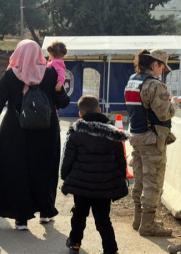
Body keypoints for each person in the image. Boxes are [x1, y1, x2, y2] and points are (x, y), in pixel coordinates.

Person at [0, 39, 70, 230]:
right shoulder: (51, 73)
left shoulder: (10, 75)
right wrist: (57, 89)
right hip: (46, 130)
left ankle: (21, 218)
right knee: (44, 169)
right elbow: (62, 103)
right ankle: (45, 211)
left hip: (16, 131)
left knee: (18, 171)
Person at [61, 95, 129, 254]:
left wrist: (66, 177)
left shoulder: (76, 132)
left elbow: (67, 158)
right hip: (105, 185)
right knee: (103, 218)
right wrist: (119, 178)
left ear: (80, 114)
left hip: (81, 184)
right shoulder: (113, 132)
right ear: (99, 110)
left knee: (79, 214)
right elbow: (121, 160)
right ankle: (110, 249)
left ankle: (75, 244)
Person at [124, 49, 181, 236]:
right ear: (155, 64)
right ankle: (148, 226)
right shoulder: (155, 85)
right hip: (152, 140)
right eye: (162, 66)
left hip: (137, 137)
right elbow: (163, 113)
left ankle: (138, 219)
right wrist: (173, 103)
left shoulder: (133, 80)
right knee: (153, 182)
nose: (163, 70)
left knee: (140, 180)